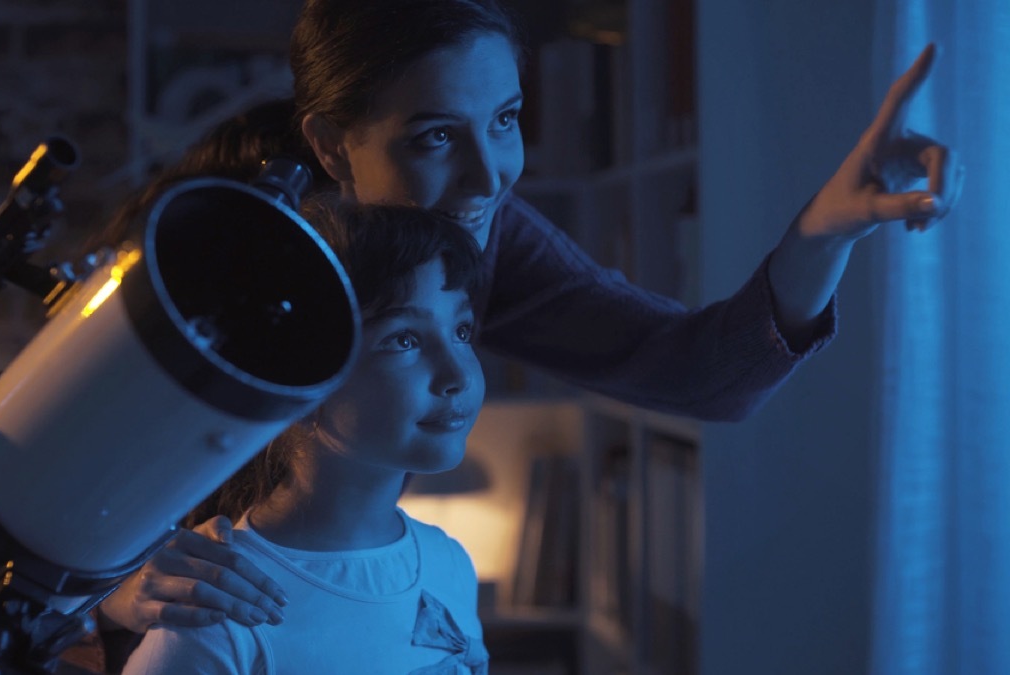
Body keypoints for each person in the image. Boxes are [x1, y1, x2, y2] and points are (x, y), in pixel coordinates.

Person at [84, 0, 961, 665]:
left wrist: (827, 229)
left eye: (504, 121)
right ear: (330, 142)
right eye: (434, 136)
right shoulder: (213, 253)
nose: (489, 175)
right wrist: (119, 590)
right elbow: (43, 490)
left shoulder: (480, 226)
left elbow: (699, 372)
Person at [119, 195, 490, 674]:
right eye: (405, 339)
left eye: (461, 330)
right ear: (296, 374)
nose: (456, 372)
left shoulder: (450, 563)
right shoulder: (222, 607)